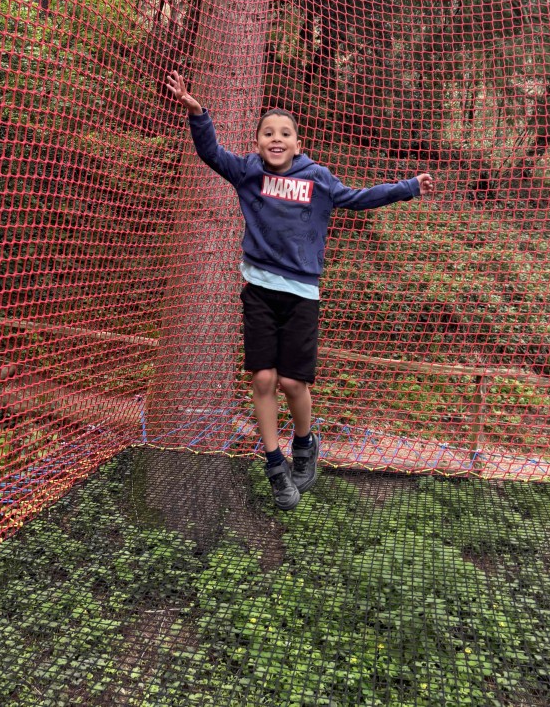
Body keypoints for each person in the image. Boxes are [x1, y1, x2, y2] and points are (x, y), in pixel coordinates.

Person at [165, 71, 434, 510]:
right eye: (268, 133)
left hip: (302, 294)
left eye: (284, 133)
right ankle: (275, 465)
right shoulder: (248, 172)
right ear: (258, 143)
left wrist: (408, 188)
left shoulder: (318, 179)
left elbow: (359, 198)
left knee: (292, 381)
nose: (276, 138)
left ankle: (305, 444)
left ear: (297, 143)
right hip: (259, 290)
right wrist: (198, 113)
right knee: (263, 378)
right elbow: (211, 153)